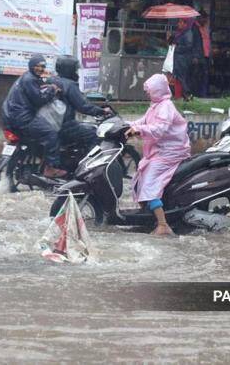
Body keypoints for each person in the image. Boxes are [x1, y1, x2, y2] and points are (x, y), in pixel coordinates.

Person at [125, 74, 191, 235]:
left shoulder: (166, 106)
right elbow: (143, 121)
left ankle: (163, 224)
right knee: (139, 177)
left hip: (170, 152)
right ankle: (148, 215)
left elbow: (159, 128)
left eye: (149, 90)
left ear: (157, 90)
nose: (147, 93)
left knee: (149, 184)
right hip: (158, 151)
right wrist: (124, 124)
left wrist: (139, 130)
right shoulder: (155, 105)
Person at [2, 55, 67, 178]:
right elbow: (39, 99)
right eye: (37, 66)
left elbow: (37, 92)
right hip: (23, 119)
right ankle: (50, 167)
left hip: (11, 118)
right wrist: (53, 90)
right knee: (51, 133)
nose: (40, 69)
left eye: (43, 66)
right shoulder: (29, 79)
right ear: (31, 66)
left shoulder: (26, 78)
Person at [52, 56, 111, 150]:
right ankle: (89, 162)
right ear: (69, 70)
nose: (76, 73)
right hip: (65, 125)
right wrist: (102, 111)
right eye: (75, 70)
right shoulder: (70, 85)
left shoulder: (53, 80)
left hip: (53, 123)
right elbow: (83, 106)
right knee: (94, 133)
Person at [168, 17, 204, 100]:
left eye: (180, 22)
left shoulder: (188, 33)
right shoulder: (179, 33)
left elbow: (188, 46)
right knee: (179, 77)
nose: (178, 24)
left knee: (182, 78)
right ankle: (182, 95)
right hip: (179, 59)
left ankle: (187, 94)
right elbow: (173, 42)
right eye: (178, 22)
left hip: (183, 59)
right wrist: (170, 38)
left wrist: (177, 47)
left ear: (185, 24)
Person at [195, 11, 211, 97]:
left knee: (205, 75)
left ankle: (203, 93)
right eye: (204, 19)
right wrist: (196, 56)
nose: (206, 21)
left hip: (206, 55)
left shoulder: (204, 28)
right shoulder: (195, 28)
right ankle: (199, 94)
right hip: (199, 56)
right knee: (199, 75)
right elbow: (196, 43)